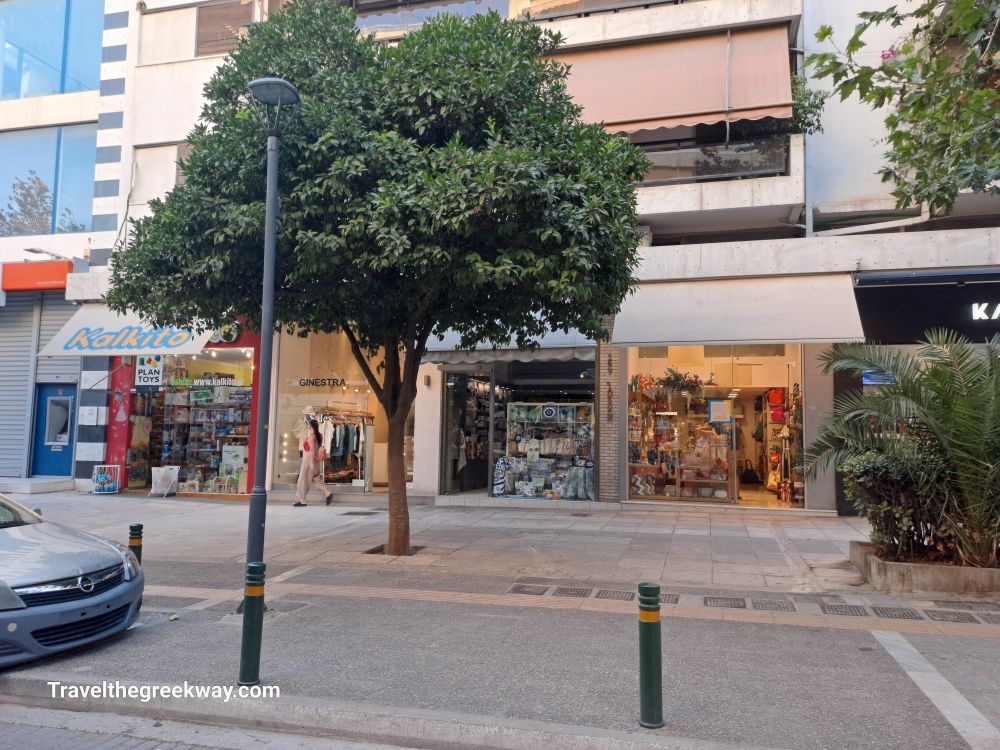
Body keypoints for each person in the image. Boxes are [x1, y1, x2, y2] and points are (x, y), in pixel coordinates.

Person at [294, 419, 331, 507]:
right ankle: (327, 493)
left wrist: (311, 464)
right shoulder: (320, 436)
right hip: (316, 461)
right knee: (316, 480)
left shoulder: (311, 437)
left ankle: (302, 500)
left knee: (303, 480)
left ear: (310, 426)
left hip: (308, 462)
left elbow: (311, 451)